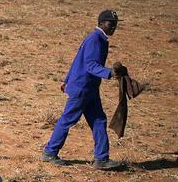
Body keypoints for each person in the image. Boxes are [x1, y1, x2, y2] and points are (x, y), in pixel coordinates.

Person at [42, 10, 126, 170]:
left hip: (89, 89)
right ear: (101, 23)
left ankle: (101, 158)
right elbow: (90, 65)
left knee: (99, 120)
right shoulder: (95, 39)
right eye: (110, 23)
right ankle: (49, 152)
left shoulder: (98, 39)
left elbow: (77, 59)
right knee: (68, 120)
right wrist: (110, 73)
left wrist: (66, 80)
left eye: (115, 24)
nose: (113, 27)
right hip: (82, 88)